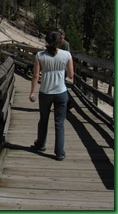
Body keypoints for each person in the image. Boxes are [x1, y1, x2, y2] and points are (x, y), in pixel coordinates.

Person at [29, 30, 74, 161]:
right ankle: (59, 153)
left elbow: (36, 75)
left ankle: (40, 144)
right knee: (59, 123)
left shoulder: (40, 55)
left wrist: (32, 92)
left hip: (45, 92)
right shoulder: (66, 55)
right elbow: (71, 75)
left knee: (43, 120)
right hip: (61, 92)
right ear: (60, 41)